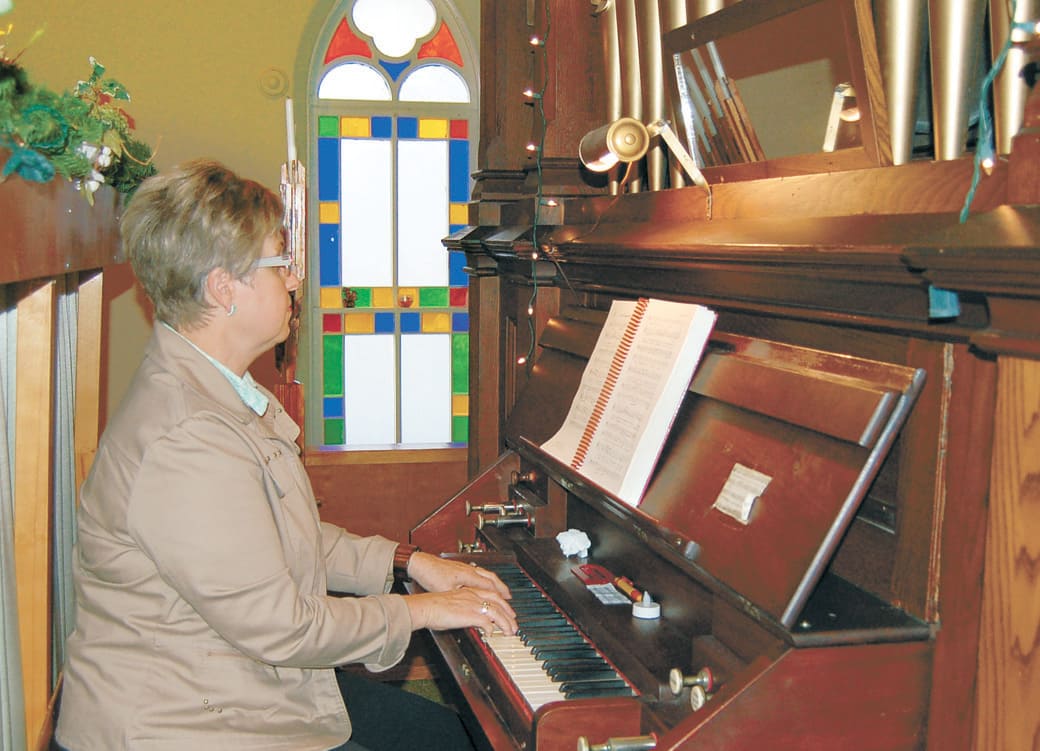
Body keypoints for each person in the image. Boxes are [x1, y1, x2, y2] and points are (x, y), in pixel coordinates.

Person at [55, 159, 517, 751]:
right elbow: (285, 627)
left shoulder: (213, 390)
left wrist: (408, 563)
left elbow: (282, 539)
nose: (296, 280)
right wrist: (424, 611)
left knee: (456, 737)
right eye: (281, 262)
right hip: (183, 723)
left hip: (236, 683)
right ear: (224, 287)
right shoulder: (186, 436)